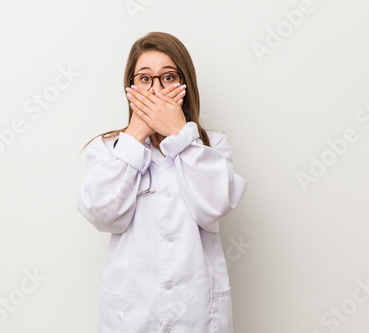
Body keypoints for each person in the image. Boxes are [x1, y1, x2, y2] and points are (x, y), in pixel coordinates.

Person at [77, 31, 247, 333]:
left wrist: (181, 135)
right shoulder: (108, 150)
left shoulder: (212, 146)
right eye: (145, 79)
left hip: (197, 314)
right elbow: (103, 215)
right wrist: (136, 134)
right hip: (131, 315)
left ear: (185, 84)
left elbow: (215, 206)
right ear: (130, 86)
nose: (155, 90)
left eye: (167, 77)